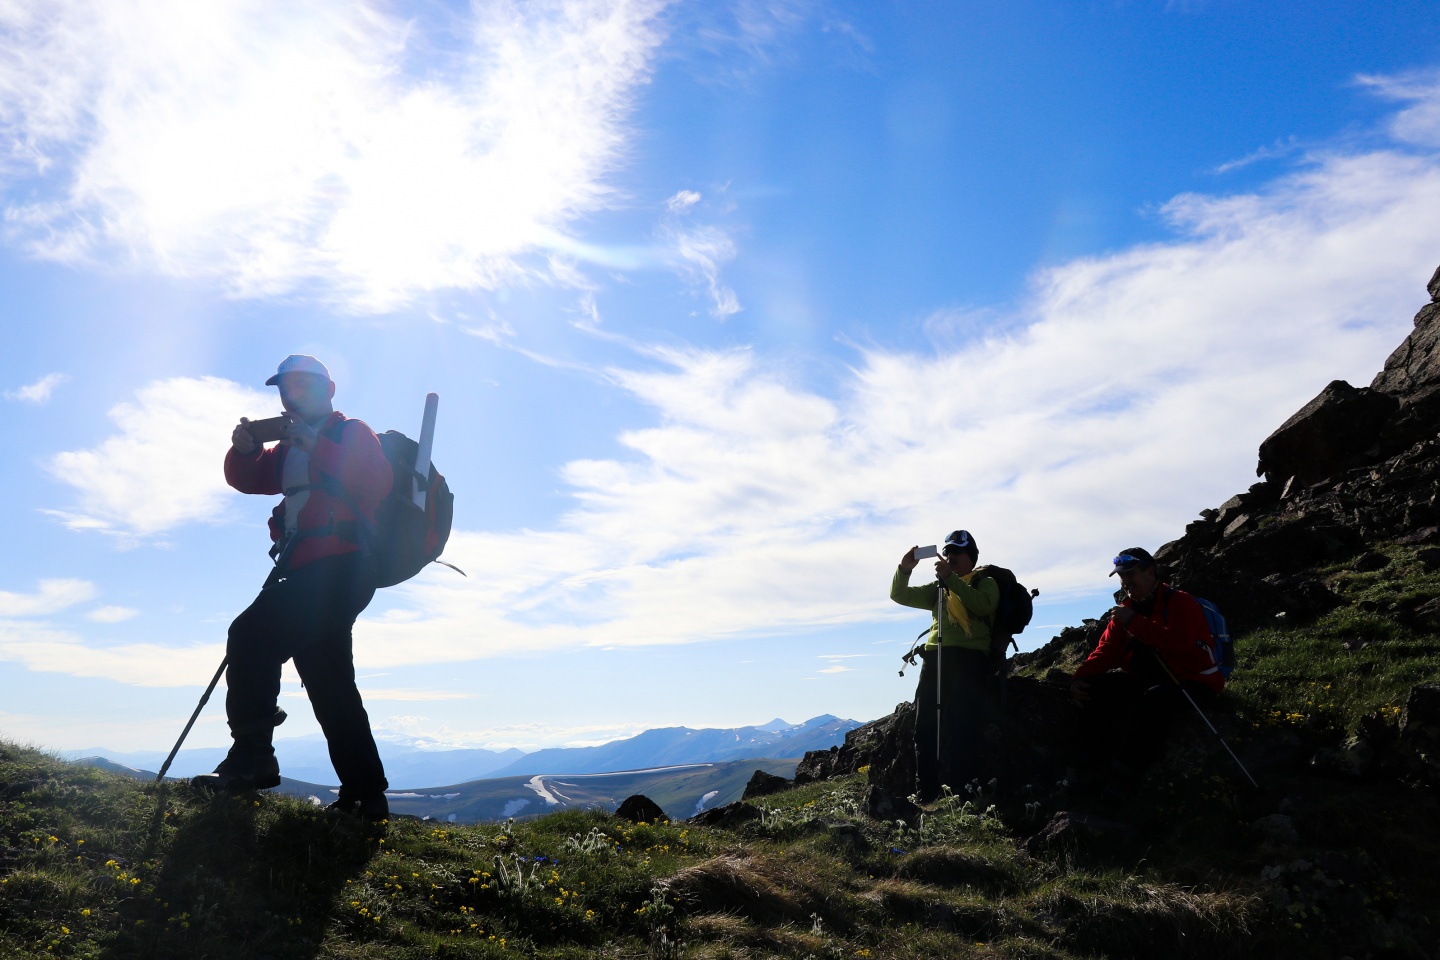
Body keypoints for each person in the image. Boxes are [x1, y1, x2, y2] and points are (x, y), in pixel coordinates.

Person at [193, 355, 393, 821]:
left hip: (342, 568)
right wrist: (244, 451)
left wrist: (316, 443)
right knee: (329, 680)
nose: (291, 394)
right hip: (307, 570)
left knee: (251, 634)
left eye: (302, 385)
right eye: (285, 387)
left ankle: (251, 758)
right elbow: (253, 479)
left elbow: (374, 482)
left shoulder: (350, 433)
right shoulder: (288, 443)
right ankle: (365, 796)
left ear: (329, 389)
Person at [1069, 547, 1225, 788]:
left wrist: (1132, 621)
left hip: (1194, 681)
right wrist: (1079, 679)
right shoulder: (1126, 611)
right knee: (1092, 689)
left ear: (1151, 572)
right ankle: (1091, 764)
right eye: (1122, 577)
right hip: (1155, 677)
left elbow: (1179, 643)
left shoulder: (1180, 601)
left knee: (1155, 700)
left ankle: (1124, 776)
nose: (1125, 583)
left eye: (1131, 575)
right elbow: (1105, 650)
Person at [891, 529, 1001, 802]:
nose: (951, 556)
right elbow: (899, 595)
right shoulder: (939, 587)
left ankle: (961, 790)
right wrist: (905, 568)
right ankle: (927, 789)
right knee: (924, 725)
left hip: (969, 659)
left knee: (962, 724)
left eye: (957, 552)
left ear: (971, 557)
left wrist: (950, 579)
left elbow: (982, 606)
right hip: (935, 657)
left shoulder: (985, 583)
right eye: (948, 551)